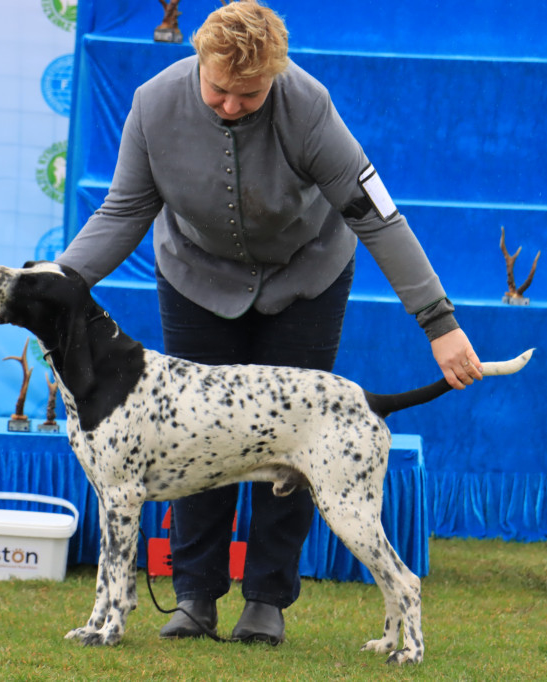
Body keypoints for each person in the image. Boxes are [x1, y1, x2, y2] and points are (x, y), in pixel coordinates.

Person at [55, 0, 483, 645]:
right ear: (199, 60)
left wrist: (439, 321)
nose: (229, 104)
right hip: (196, 280)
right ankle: (194, 598)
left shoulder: (309, 105)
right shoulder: (151, 103)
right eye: (219, 89)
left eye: (248, 95)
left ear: (275, 77)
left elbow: (379, 217)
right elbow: (122, 213)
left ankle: (267, 603)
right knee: (192, 437)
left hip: (305, 279)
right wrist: (60, 287)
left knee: (296, 444)